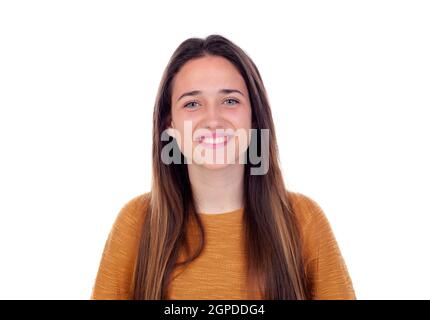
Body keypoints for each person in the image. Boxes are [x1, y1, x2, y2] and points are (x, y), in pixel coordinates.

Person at [91, 34, 356, 300]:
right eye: (192, 104)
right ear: (168, 124)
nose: (213, 120)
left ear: (254, 117)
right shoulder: (136, 224)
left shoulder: (303, 220)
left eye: (230, 101)